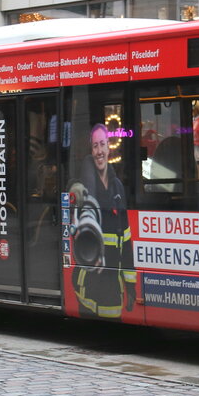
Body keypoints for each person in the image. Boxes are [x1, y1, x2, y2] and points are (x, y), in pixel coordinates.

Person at [71, 123, 136, 318]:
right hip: (88, 288)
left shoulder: (118, 188)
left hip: (113, 291)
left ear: (109, 147)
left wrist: (130, 286)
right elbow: (72, 186)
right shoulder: (84, 183)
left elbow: (125, 241)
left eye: (102, 145)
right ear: (91, 150)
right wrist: (74, 191)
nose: (99, 151)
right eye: (95, 146)